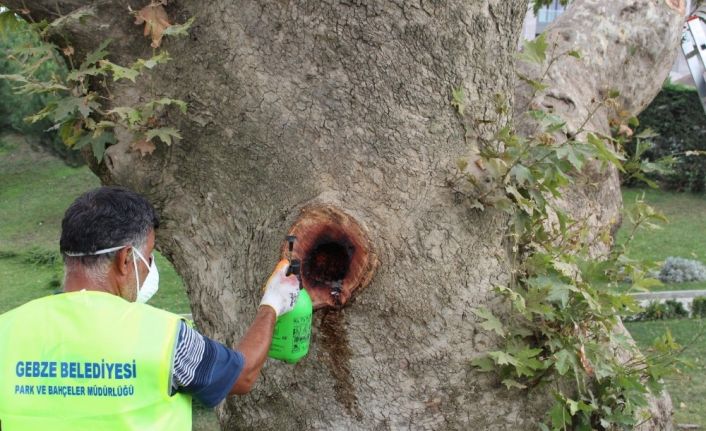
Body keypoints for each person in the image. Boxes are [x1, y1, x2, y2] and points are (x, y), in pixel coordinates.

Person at [0, 186, 300, 430]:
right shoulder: (167, 338)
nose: (150, 268)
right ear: (125, 259)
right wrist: (271, 305)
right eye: (150, 255)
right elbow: (242, 373)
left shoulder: (7, 332)